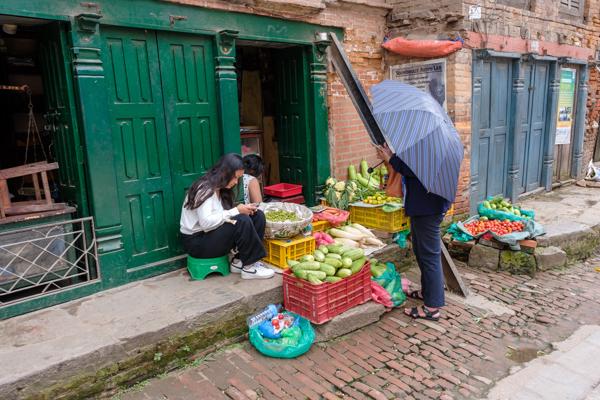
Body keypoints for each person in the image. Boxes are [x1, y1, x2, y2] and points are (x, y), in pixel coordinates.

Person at [376, 144, 450, 321]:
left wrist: (391, 159)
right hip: (425, 207)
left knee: (430, 256)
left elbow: (411, 170)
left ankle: (432, 308)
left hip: (428, 208)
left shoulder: (429, 150)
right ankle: (427, 293)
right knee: (422, 252)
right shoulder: (435, 148)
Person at [180, 153, 274, 280]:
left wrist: (243, 210)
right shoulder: (205, 188)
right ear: (224, 173)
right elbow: (206, 223)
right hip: (197, 243)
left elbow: (221, 217)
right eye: (235, 178)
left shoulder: (220, 188)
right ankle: (250, 268)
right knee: (242, 219)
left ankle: (239, 262)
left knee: (257, 215)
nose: (236, 182)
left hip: (210, 236)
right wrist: (236, 211)